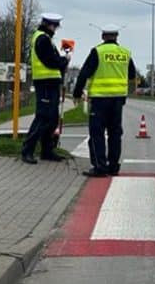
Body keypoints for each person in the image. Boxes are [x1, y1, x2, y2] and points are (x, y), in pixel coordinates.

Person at [72, 24, 137, 177]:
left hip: (100, 99)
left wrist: (76, 93)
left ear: (103, 36)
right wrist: (127, 92)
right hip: (118, 100)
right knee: (115, 133)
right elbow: (132, 75)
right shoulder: (125, 53)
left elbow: (84, 74)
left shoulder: (97, 52)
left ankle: (100, 167)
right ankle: (113, 166)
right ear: (117, 36)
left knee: (97, 133)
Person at [21, 13, 70, 164]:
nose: (55, 29)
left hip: (51, 82)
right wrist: (64, 60)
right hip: (45, 83)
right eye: (54, 26)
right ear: (49, 25)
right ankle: (27, 150)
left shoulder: (46, 39)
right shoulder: (42, 38)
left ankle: (47, 150)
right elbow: (50, 60)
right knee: (43, 117)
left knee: (52, 118)